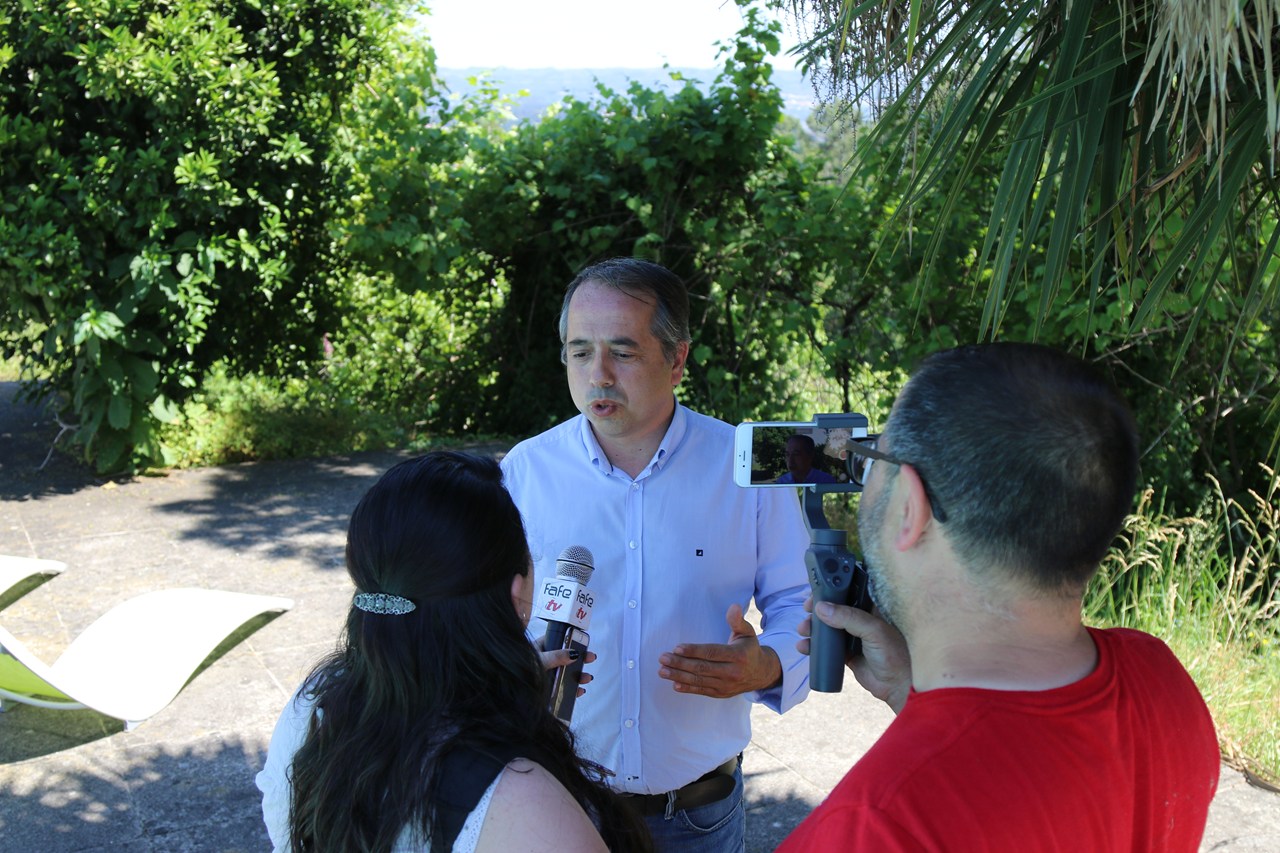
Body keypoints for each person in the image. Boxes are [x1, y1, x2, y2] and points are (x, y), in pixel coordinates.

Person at [780, 343, 1220, 851]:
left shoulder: (872, 827)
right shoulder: (1161, 682)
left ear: (911, 509)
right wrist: (909, 690)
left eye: (874, 455)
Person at [500, 257, 811, 852]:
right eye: (580, 352)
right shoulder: (524, 472)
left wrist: (769, 665)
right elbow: (485, 613)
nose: (598, 375)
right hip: (556, 808)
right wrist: (509, 669)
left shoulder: (751, 465)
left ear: (677, 359)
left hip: (699, 817)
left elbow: (802, 600)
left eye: (623, 352)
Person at [255, 452, 651, 853]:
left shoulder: (313, 704)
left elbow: (282, 827)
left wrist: (512, 691)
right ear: (515, 594)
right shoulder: (523, 797)